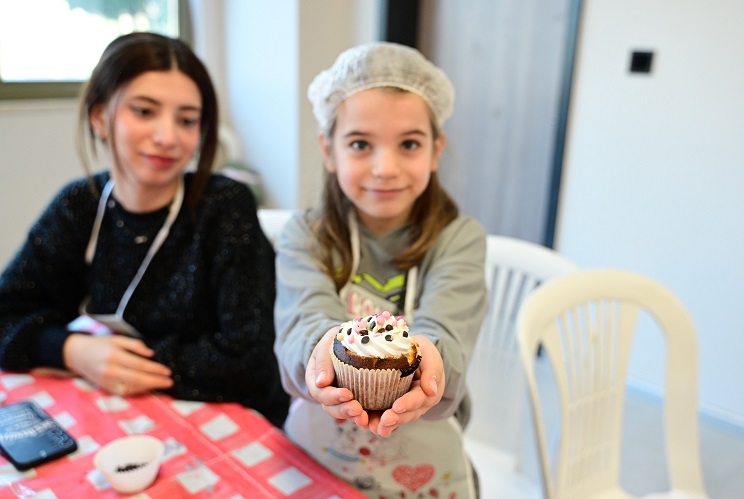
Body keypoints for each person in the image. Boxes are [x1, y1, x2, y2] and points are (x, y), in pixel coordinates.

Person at [0, 32, 289, 428]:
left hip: (229, 420)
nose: (167, 137)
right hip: (128, 417)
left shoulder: (224, 207)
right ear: (100, 117)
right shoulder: (79, 206)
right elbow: (6, 314)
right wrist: (71, 350)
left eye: (187, 120)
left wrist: (118, 358)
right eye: (144, 111)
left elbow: (251, 360)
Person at [274, 42, 487, 497]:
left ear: (435, 150)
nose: (385, 168)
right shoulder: (304, 236)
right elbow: (302, 321)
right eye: (359, 144)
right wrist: (319, 348)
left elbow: (445, 331)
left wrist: (432, 363)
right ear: (328, 150)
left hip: (425, 463)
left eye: (408, 143)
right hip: (319, 457)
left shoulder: (459, 239)